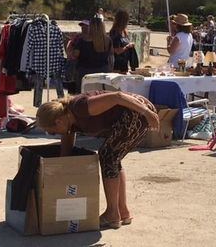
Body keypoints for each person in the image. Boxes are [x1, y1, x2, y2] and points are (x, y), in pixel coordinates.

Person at [36, 91, 160, 229]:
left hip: (137, 110)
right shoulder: (68, 123)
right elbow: (66, 150)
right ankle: (122, 211)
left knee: (108, 155)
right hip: (135, 113)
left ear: (58, 121)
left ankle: (112, 214)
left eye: (52, 131)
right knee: (113, 157)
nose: (53, 134)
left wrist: (147, 113)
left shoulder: (80, 107)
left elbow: (117, 97)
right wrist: (61, 170)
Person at [73, 17, 114, 92]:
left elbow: (75, 55)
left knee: (83, 97)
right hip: (102, 73)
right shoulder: (108, 40)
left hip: (85, 73)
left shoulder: (82, 40)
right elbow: (111, 56)